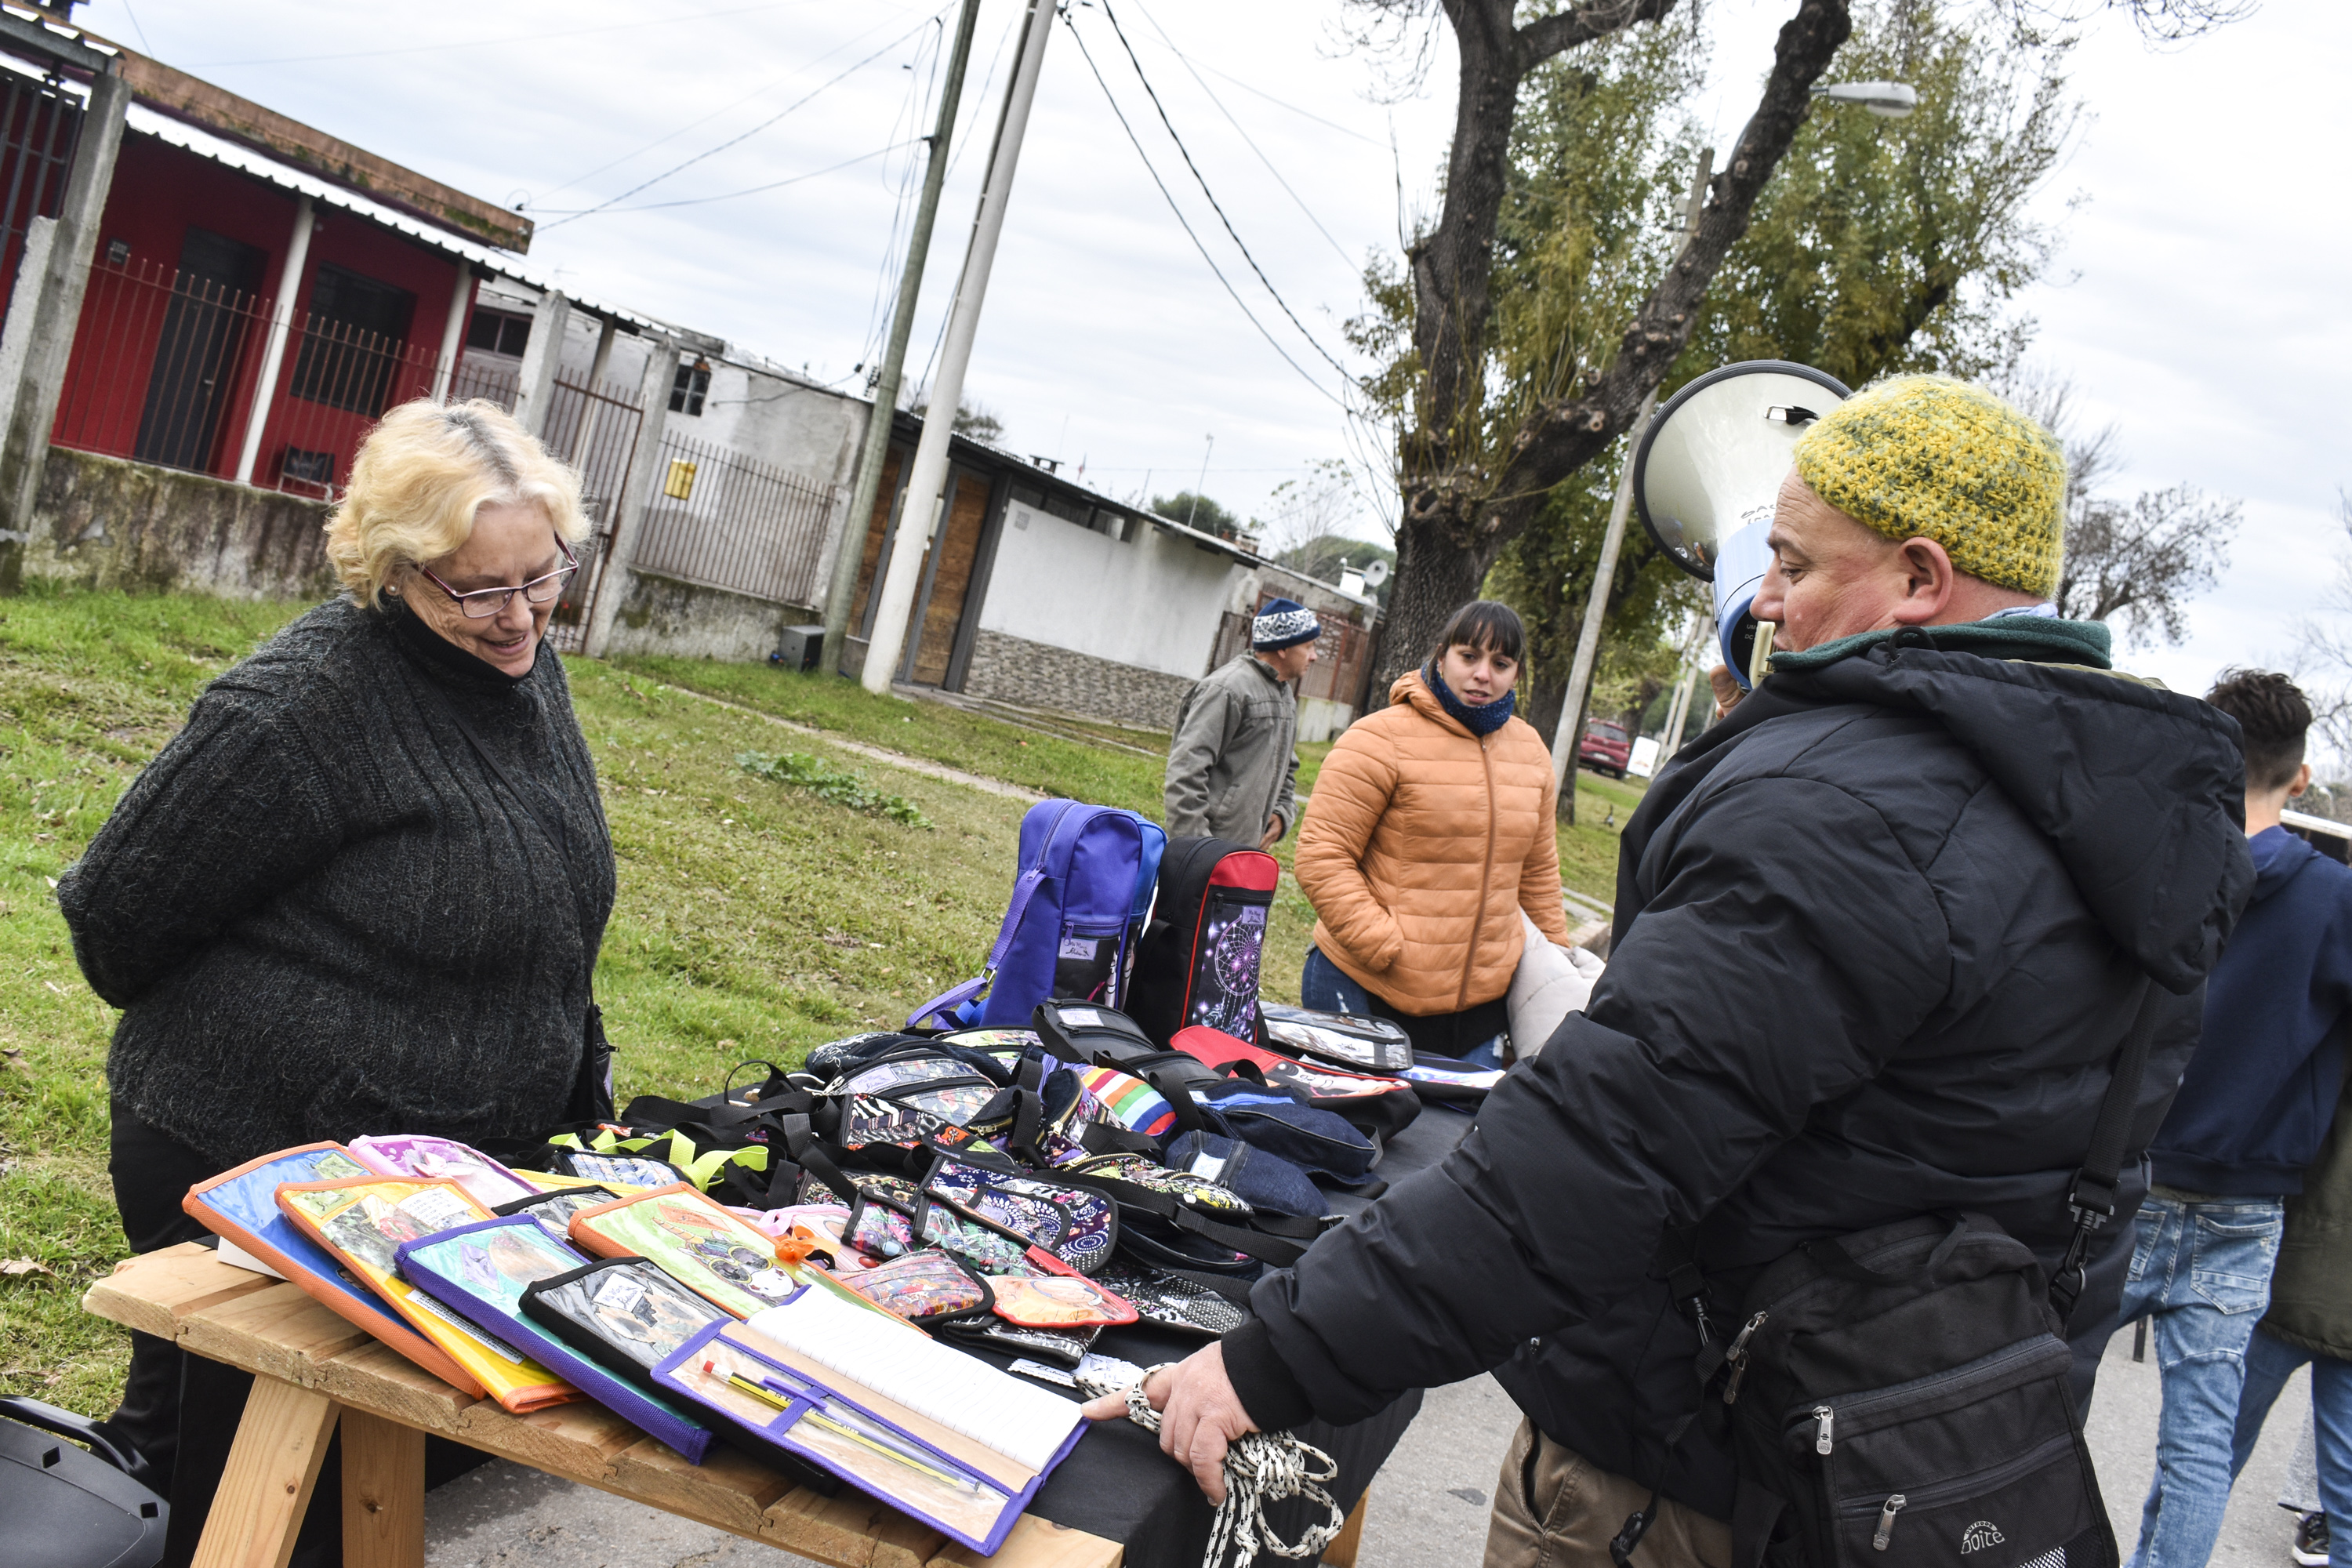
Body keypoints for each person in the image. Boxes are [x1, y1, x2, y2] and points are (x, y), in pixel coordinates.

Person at [1083, 376, 2255, 1568]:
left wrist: (1272, 1358)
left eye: (1795, 565)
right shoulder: (2131, 816)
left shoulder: (1850, 813)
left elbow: (1596, 1155)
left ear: (1917, 576)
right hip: (1902, 1461)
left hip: (1687, 1470)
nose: (1770, 602)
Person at [58, 397, 615, 1562]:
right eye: (480, 589)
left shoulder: (518, 672)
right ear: (398, 569)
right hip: (254, 1163)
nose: (521, 615)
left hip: (421, 1175)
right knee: (237, 1495)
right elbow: (117, 922)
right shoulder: (295, 711)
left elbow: (547, 902)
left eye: (543, 575)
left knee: (349, 1474)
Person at [2118, 670, 2352, 1568]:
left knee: (2044, 1388)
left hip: (2127, 1180)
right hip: (2246, 1207)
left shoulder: (2153, 868)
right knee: (2200, 1445)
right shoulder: (2333, 906)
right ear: (2299, 779)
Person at [1290, 599, 1570, 1062]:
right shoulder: (1378, 738)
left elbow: (1538, 873)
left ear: (1516, 674)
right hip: (1368, 986)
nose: (1483, 674)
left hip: (1480, 1009)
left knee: (1459, 1136)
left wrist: (1553, 966)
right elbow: (1323, 855)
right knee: (1360, 1134)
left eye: (1501, 663)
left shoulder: (1531, 753)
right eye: (1469, 656)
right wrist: (1384, 944)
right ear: (1442, 656)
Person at [1164, 597, 1321, 851]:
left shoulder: (1284, 696)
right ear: (1283, 648)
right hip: (1211, 853)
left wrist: (1282, 813)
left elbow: (1287, 767)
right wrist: (1197, 850)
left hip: (1246, 856)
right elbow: (1186, 771)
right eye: (1309, 646)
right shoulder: (1228, 689)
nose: (1314, 656)